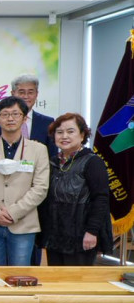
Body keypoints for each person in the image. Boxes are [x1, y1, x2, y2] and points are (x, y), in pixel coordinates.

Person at [0, 96, 49, 266]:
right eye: (5, 114)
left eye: (15, 114)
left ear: (24, 119)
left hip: (23, 223)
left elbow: (40, 187)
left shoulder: (38, 149)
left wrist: (13, 212)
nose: (10, 118)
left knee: (20, 275)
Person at [39, 113, 113, 265]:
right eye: (59, 132)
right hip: (55, 234)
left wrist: (92, 231)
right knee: (56, 278)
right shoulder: (52, 162)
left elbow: (101, 199)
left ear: (82, 135)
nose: (64, 136)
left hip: (81, 235)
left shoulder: (93, 162)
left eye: (70, 131)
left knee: (76, 279)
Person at [0, 74, 57, 158]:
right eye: (21, 92)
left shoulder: (47, 122)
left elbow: (53, 155)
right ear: (13, 93)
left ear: (36, 94)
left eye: (30, 92)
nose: (26, 96)